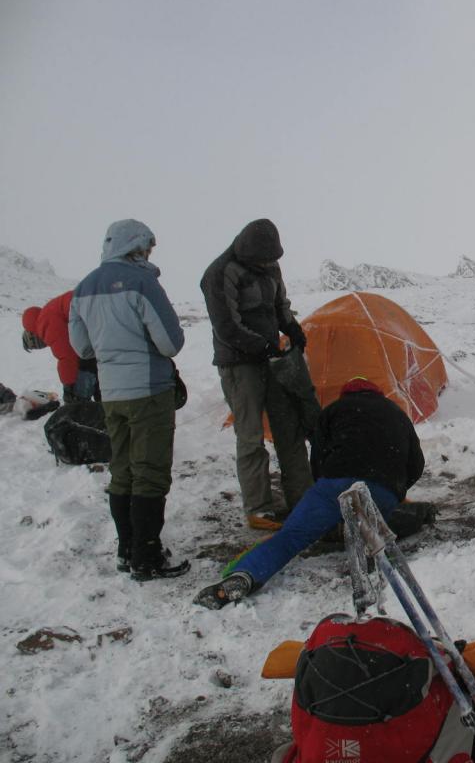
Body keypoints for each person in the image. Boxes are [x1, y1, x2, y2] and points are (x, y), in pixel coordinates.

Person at [194, 377, 424, 609]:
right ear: (377, 393)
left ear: (346, 394)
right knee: (379, 527)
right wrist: (396, 488)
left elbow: (318, 459)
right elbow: (416, 464)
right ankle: (368, 542)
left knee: (291, 536)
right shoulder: (396, 413)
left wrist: (327, 489)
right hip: (381, 488)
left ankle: (245, 575)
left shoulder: (334, 410)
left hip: (334, 483)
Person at [68, 219, 188, 580]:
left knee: (122, 470)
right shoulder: (142, 283)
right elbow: (171, 342)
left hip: (111, 393)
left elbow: (82, 347)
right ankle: (147, 557)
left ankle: (127, 550)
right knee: (150, 472)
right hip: (149, 391)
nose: (149, 253)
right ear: (134, 247)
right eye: (147, 248)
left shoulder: (83, 288)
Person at [200, 218, 313, 531]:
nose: (269, 264)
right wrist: (260, 346)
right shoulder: (220, 272)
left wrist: (290, 326)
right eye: (263, 260)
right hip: (239, 363)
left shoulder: (271, 266)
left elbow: (280, 304)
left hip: (271, 358)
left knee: (288, 428)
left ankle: (302, 500)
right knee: (250, 435)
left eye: (272, 260)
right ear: (249, 251)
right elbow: (226, 325)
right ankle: (259, 509)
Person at [22, 291, 100, 403]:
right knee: (91, 362)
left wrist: (69, 387)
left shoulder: (45, 322)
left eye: (35, 345)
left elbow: (67, 356)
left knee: (86, 366)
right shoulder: (49, 312)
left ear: (34, 336)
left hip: (96, 311)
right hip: (97, 306)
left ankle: (84, 404)